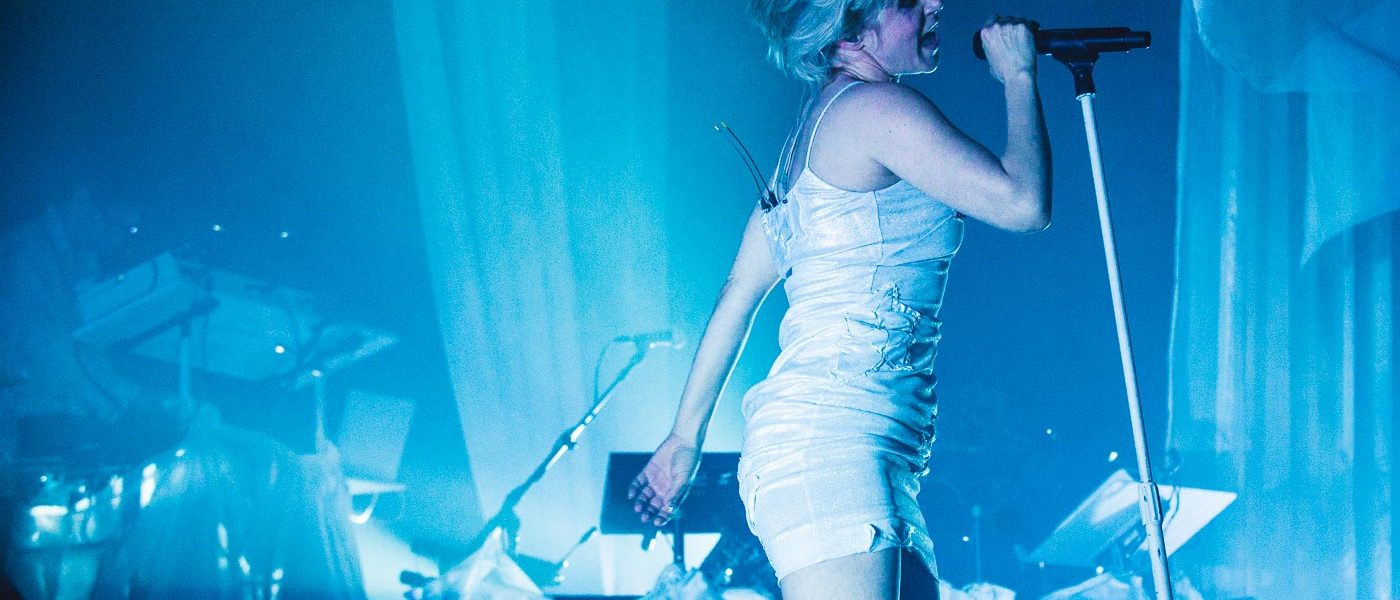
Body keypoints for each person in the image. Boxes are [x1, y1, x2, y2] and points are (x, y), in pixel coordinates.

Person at [629, 0, 1049, 597]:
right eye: (908, 0)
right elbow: (1023, 204)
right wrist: (1019, 74)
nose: (936, 3)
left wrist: (684, 438)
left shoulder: (808, 138)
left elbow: (737, 294)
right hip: (832, 449)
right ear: (851, 25)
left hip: (859, 452)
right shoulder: (876, 110)